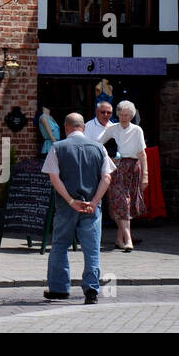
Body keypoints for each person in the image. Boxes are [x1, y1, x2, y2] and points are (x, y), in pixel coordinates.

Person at [43, 112, 116, 304]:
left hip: (67, 206)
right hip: (91, 207)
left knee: (59, 245)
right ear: (83, 127)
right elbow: (107, 178)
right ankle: (91, 290)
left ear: (66, 128)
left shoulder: (57, 148)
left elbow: (54, 178)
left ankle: (59, 289)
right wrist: (93, 202)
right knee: (91, 249)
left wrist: (69, 200)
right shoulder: (99, 148)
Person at [102, 99, 148, 251]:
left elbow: (142, 154)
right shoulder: (113, 128)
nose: (124, 118)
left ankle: (119, 239)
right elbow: (97, 143)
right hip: (118, 167)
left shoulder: (137, 130)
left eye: (127, 115)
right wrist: (109, 158)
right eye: (122, 115)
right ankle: (128, 239)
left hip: (133, 167)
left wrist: (145, 175)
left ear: (132, 116)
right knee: (122, 202)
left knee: (128, 202)